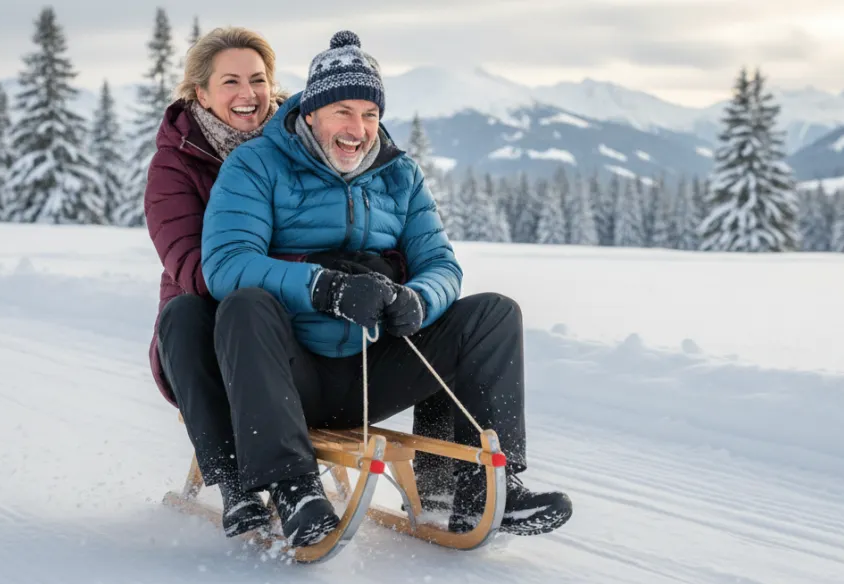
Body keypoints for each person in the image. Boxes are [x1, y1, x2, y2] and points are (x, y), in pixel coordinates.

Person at [198, 30, 573, 547]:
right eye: (343, 112)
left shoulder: (400, 175)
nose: (358, 129)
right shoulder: (256, 165)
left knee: (494, 314)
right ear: (310, 112)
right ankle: (295, 491)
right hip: (289, 375)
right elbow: (226, 263)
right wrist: (323, 288)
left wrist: (418, 298)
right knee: (243, 306)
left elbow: (441, 264)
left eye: (370, 114)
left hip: (375, 368)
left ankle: (485, 492)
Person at [144, 26, 290, 538]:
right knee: (183, 313)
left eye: (257, 79)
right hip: (205, 336)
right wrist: (284, 284)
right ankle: (234, 487)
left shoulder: (298, 145)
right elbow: (192, 268)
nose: (247, 94)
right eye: (230, 82)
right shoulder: (175, 164)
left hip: (293, 329)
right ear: (200, 93)